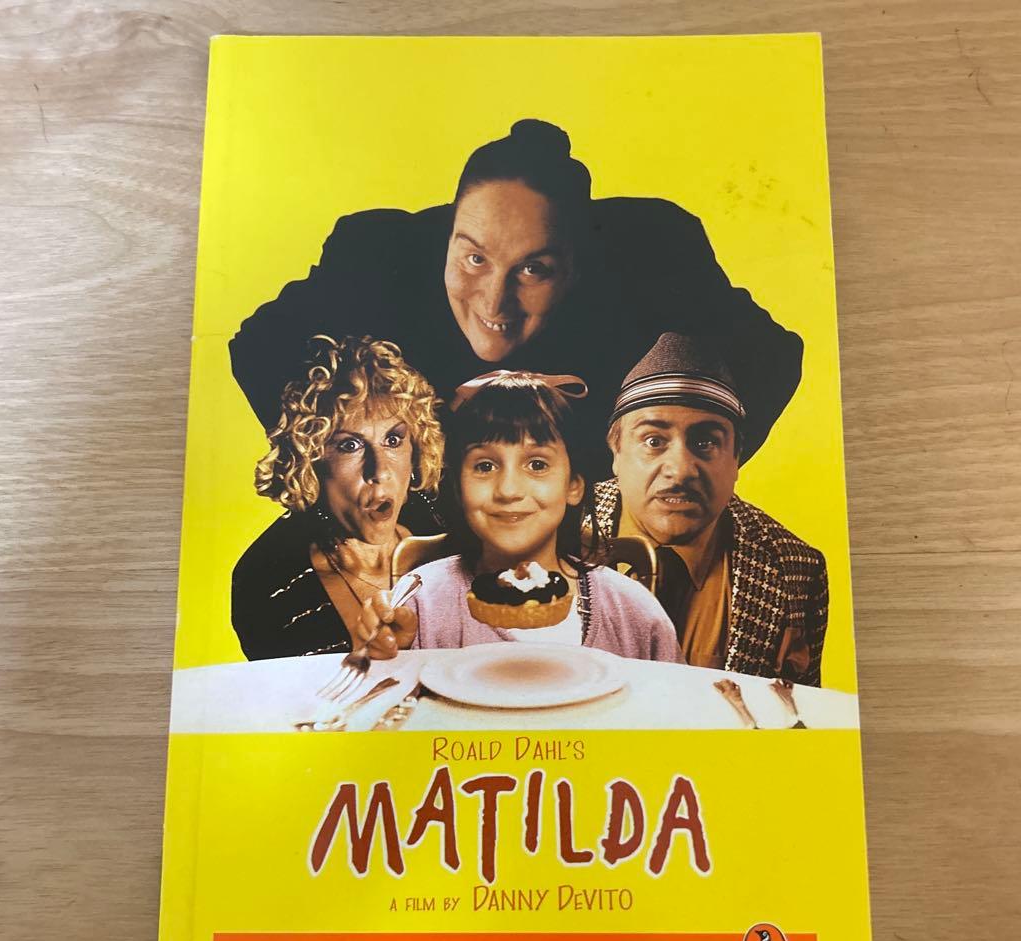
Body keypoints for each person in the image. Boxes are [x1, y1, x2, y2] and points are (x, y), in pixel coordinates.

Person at [230, 119, 803, 480]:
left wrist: (645, 489)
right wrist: (356, 480)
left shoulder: (652, 252)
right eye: (473, 259)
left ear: (578, 263)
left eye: (533, 269)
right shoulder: (379, 255)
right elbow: (257, 348)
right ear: (447, 234)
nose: (494, 302)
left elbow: (772, 357)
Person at [355, 371, 680, 663]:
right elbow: (384, 701)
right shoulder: (420, 603)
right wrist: (388, 657)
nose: (508, 490)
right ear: (459, 487)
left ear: (573, 485)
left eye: (537, 464)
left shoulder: (634, 612)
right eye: (485, 466)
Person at [594, 332, 828, 685]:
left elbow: (800, 709)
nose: (681, 470)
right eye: (654, 441)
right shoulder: (545, 532)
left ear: (736, 459)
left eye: (705, 442)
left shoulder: (796, 569)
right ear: (616, 452)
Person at [230, 335, 445, 660]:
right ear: (308, 461)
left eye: (393, 440)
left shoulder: (455, 533)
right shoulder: (268, 582)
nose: (380, 471)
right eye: (349, 446)